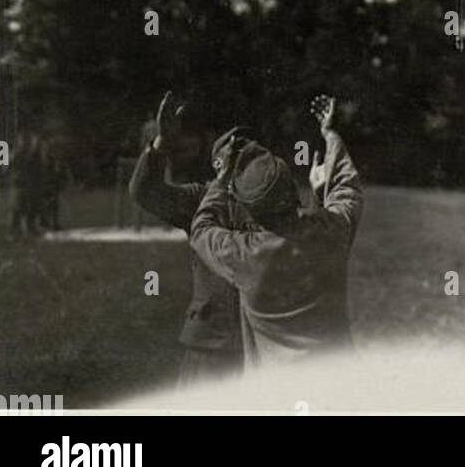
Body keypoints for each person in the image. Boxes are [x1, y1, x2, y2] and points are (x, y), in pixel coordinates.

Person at [189, 94, 362, 366]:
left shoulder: (244, 254)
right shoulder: (330, 231)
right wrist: (330, 135)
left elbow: (201, 229)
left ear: (250, 209)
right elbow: (346, 189)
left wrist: (221, 183)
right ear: (293, 190)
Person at [129, 93, 246, 383]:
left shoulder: (275, 203)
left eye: (250, 157)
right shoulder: (201, 198)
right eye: (233, 156)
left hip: (259, 341)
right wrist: (162, 144)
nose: (242, 162)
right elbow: (145, 192)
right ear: (218, 165)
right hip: (211, 341)